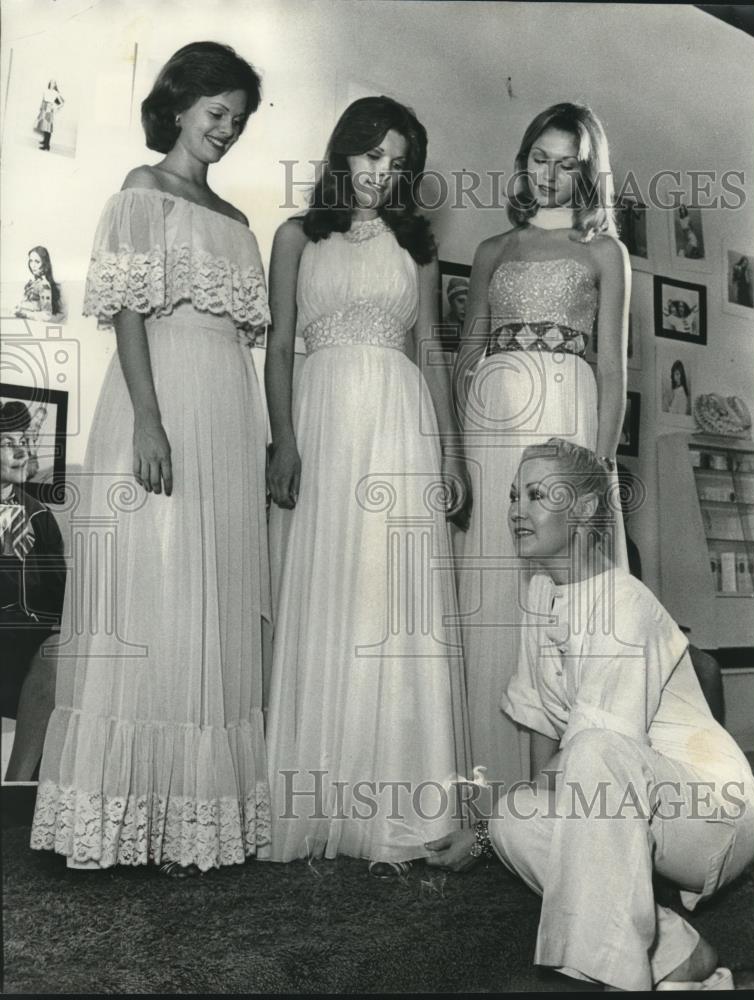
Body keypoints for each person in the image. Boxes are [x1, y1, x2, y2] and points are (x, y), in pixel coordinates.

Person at [30, 42, 271, 876]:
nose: (226, 132)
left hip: (227, 414)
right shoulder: (142, 193)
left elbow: (244, 346)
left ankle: (189, 817)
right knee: (151, 595)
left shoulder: (241, 224)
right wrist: (148, 421)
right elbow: (130, 312)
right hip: (158, 400)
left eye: (239, 122)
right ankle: (119, 813)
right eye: (216, 115)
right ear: (178, 107)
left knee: (210, 598)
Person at [426, 439, 754, 991]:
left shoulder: (624, 604)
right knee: (513, 817)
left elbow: (595, 756)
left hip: (712, 815)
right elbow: (542, 728)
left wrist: (495, 823)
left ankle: (614, 981)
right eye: (514, 495)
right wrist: (493, 829)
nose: (516, 510)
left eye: (536, 495)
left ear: (582, 509)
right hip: (625, 795)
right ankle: (677, 953)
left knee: (594, 751)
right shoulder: (541, 594)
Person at [262, 95, 471, 876]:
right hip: (320, 424)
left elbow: (432, 352)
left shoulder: (414, 248)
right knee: (324, 595)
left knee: (389, 600)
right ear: (342, 151)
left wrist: (451, 458)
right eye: (372, 155)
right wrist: (282, 441)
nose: (382, 173)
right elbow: (279, 344)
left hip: (398, 430)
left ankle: (397, 806)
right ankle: (317, 798)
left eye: (398, 162)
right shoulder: (294, 237)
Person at [452, 102, 629, 791]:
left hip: (565, 410)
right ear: (523, 160)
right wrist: (459, 452)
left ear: (587, 173)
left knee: (559, 592)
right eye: (539, 158)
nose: (550, 174)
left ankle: (564, 782)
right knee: (498, 579)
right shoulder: (493, 250)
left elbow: (613, 367)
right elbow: (468, 350)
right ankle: (489, 781)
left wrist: (599, 469)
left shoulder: (602, 252)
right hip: (492, 420)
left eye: (567, 162)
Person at [1, 401, 65, 781]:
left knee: (58, 652)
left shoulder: (38, 516)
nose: (20, 450)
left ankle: (14, 789)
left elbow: (57, 609)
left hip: (17, 651)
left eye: (24, 440)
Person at [15, 247, 64, 323]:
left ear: (45, 264)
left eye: (37, 262)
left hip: (33, 325)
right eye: (31, 261)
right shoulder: (32, 283)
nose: (33, 265)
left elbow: (47, 315)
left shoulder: (44, 285)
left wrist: (26, 314)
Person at [440, 275, 470, 352]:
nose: (465, 308)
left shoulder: (471, 327)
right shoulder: (443, 325)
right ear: (451, 302)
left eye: (468, 303)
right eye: (460, 301)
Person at [35, 80, 64, 151]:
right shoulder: (46, 91)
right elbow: (43, 100)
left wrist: (55, 107)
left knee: (48, 128)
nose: (52, 84)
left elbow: (62, 103)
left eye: (53, 83)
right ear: (49, 84)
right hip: (44, 108)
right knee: (44, 126)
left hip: (49, 110)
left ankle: (47, 146)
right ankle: (45, 141)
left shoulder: (56, 93)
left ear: (55, 85)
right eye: (51, 83)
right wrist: (41, 107)